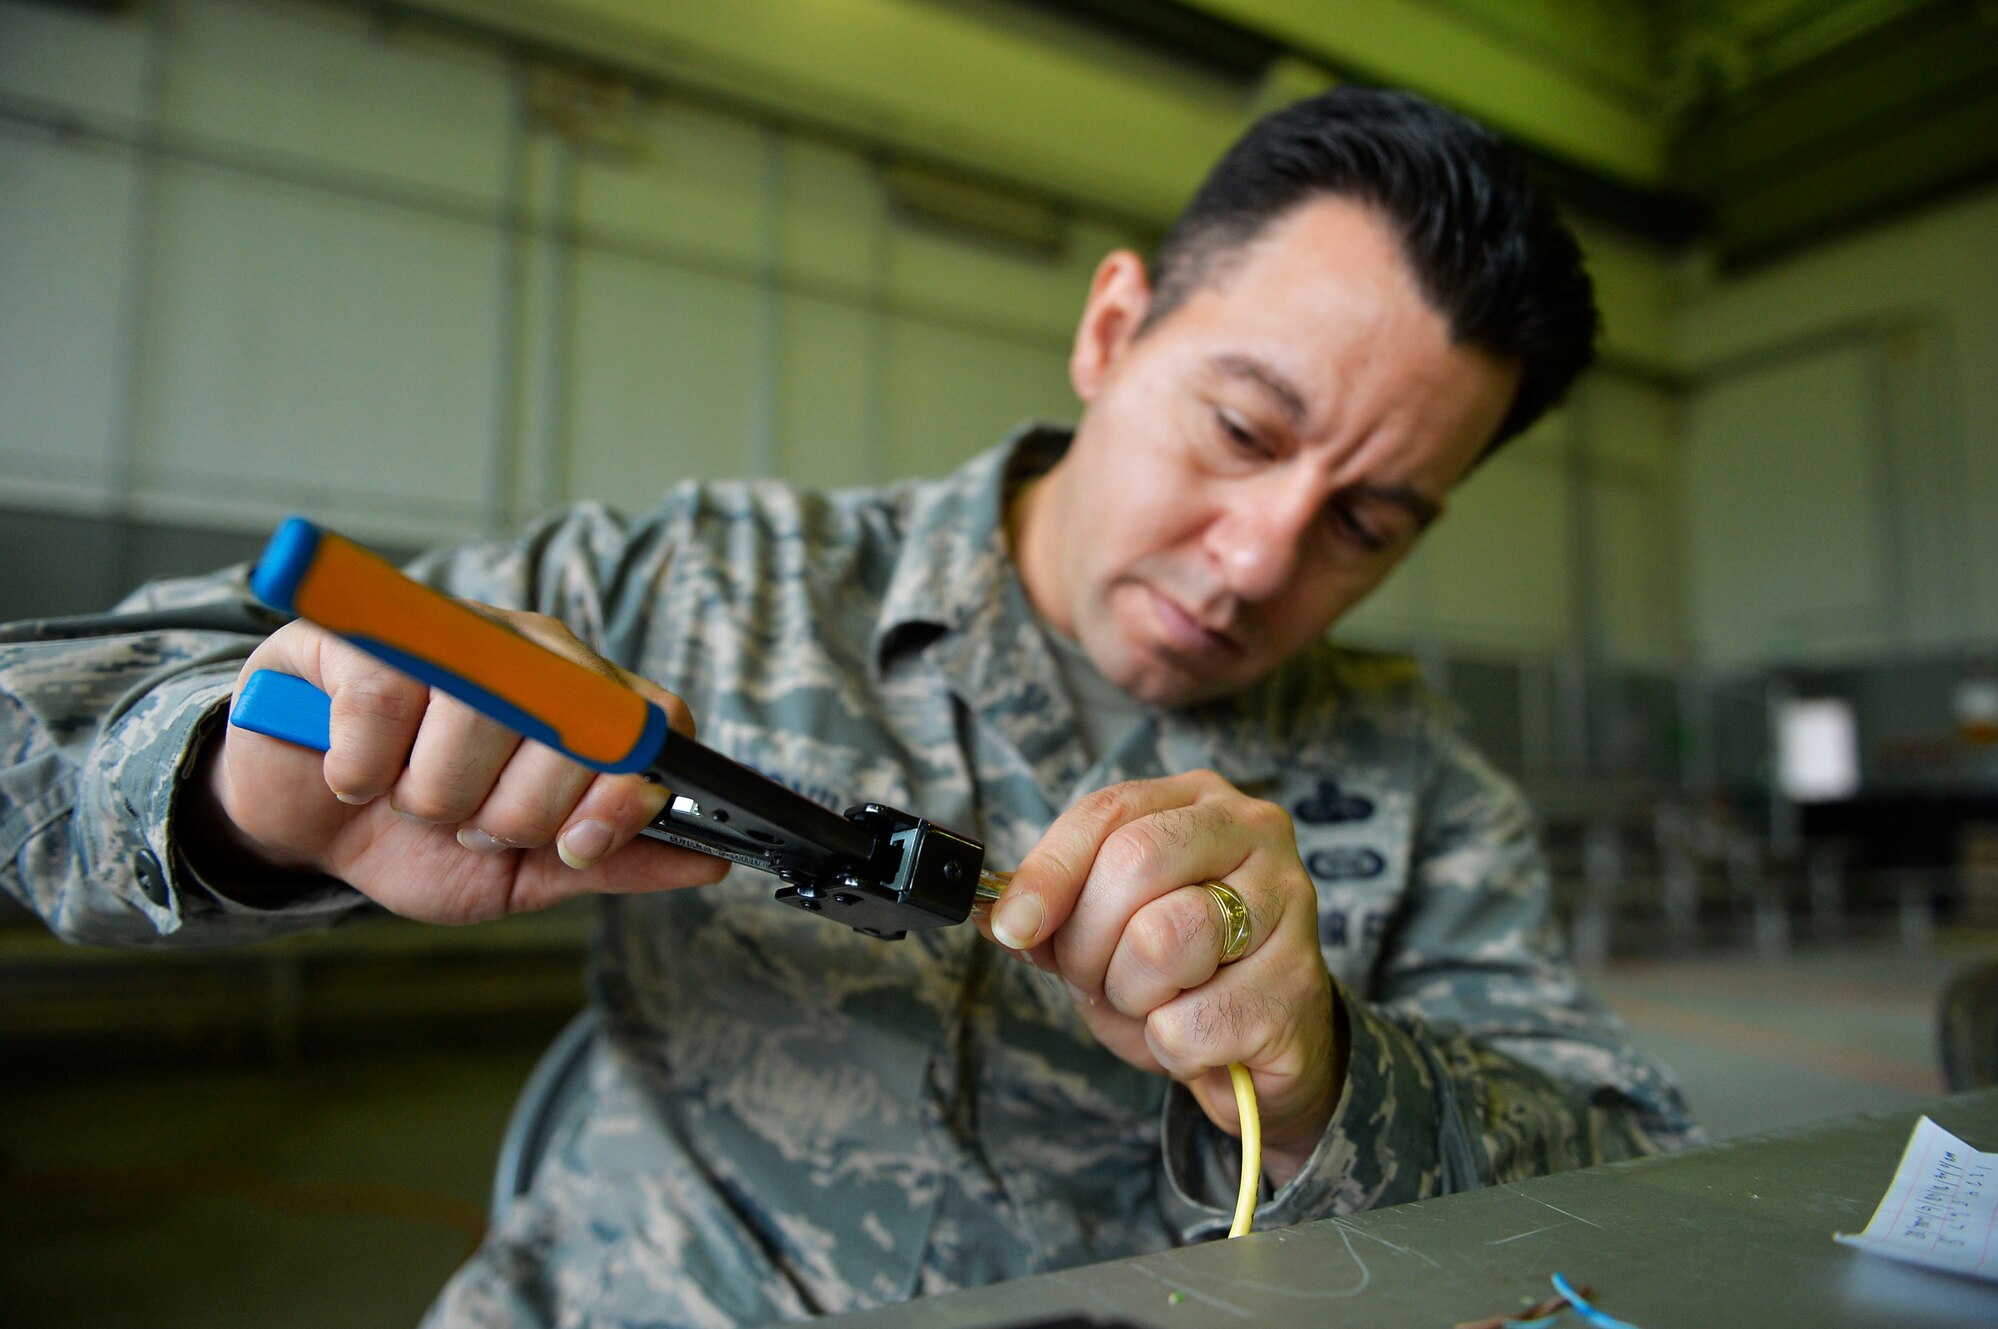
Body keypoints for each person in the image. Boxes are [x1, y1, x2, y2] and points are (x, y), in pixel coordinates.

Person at [0, 88, 1697, 1327]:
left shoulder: (1429, 793)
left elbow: (1638, 1191)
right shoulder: (708, 581)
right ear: (1114, 329)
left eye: (1368, 521)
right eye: (1244, 430)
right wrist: (242, 779)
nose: (1259, 555)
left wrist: (1325, 1072)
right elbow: (30, 717)